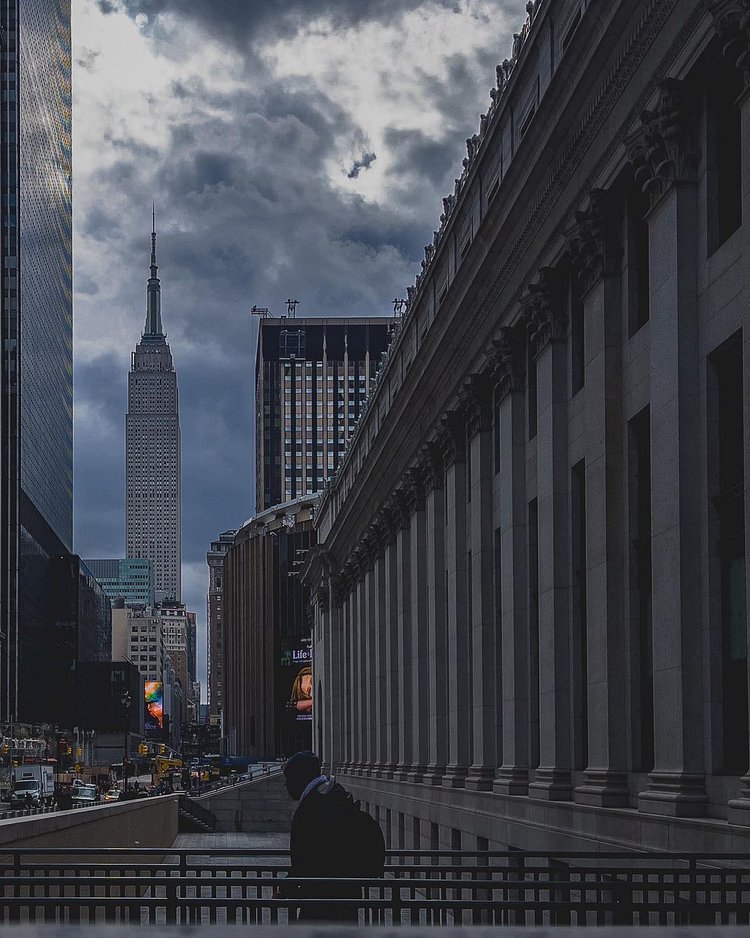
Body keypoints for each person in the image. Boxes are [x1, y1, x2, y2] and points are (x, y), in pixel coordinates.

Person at [277, 751, 363, 923]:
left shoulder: (311, 809)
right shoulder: (334, 794)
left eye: (289, 778)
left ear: (301, 778)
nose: (286, 784)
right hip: (345, 899)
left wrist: (285, 890)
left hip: (322, 902)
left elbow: (308, 861)